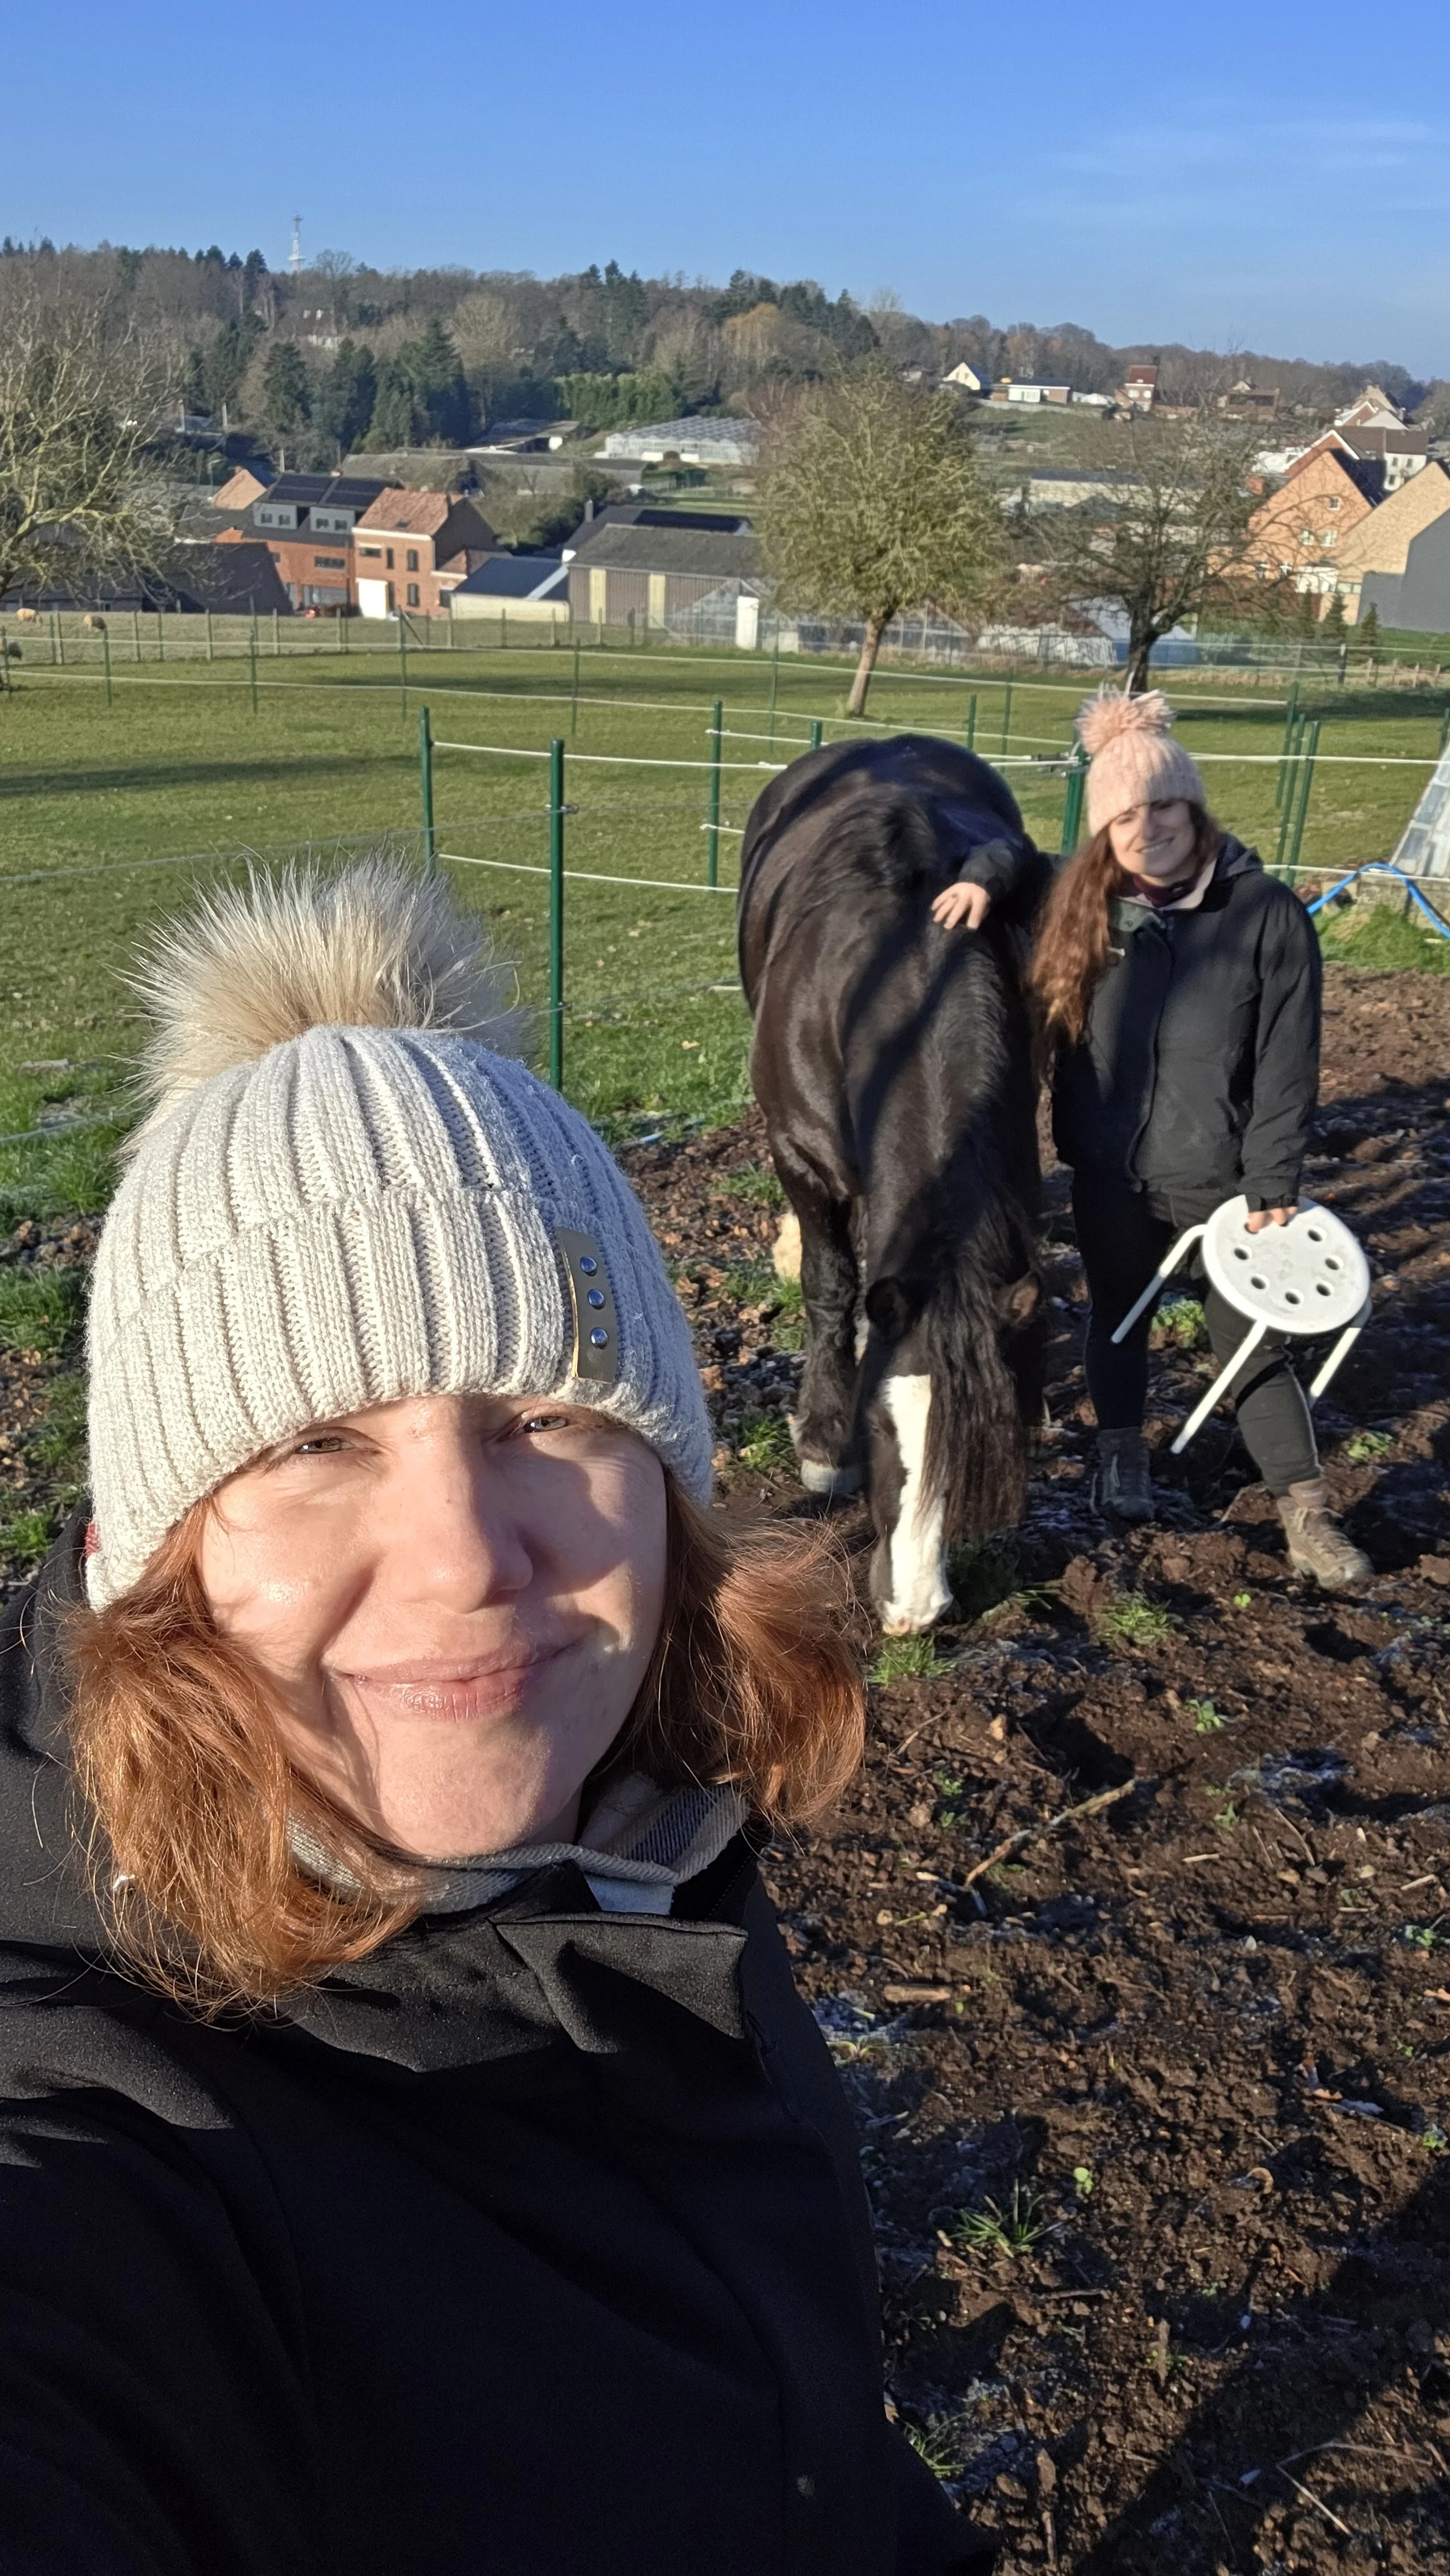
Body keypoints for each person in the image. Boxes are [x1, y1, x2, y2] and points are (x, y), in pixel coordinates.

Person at [0, 860, 992, 2575]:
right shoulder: (110, 2149)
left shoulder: (637, 1832)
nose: (464, 1561)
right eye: (312, 1445)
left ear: (670, 1489)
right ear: (141, 1554)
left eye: (545, 1417)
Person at [931, 689, 1371, 1590]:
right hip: (1110, 1175)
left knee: (1252, 1344)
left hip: (1231, 1185)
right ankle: (1121, 1455)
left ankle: (1306, 1510)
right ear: (1104, 832)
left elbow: (1291, 1064)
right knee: (1119, 1318)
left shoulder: (1266, 917)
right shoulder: (1083, 905)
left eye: (1163, 806)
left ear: (1194, 805)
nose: (1148, 829)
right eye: (1125, 816)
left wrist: (1272, 1181)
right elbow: (1014, 854)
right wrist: (979, 876)